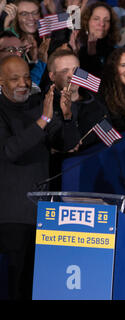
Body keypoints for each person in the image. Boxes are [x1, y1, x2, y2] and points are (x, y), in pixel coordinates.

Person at [0, 55, 58, 299]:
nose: (23, 83)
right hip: (12, 219)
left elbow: (64, 142)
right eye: (14, 79)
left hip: (44, 216)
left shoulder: (38, 104)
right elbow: (9, 151)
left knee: (38, 289)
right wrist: (43, 120)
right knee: (14, 288)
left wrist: (63, 115)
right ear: (1, 82)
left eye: (26, 76)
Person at [46, 48, 111, 152]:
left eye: (75, 70)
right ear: (52, 76)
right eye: (64, 71)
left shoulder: (95, 102)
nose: (72, 76)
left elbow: (109, 137)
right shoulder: (46, 107)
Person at [72, 2, 120, 77]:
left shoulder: (116, 54)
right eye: (96, 19)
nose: (102, 24)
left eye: (106, 20)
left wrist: (92, 53)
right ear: (87, 22)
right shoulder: (76, 47)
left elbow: (103, 82)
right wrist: (74, 54)